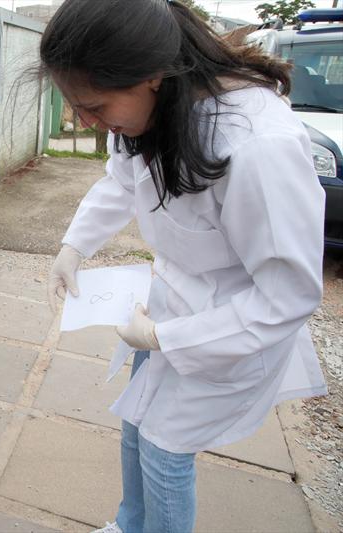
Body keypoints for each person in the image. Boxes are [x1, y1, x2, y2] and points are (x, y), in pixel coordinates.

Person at [41, 1, 328, 532]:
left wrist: (167, 338)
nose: (87, 121)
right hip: (169, 301)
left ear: (152, 75)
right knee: (136, 423)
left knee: (164, 449)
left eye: (96, 107)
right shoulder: (156, 108)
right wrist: (73, 246)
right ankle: (129, 525)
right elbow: (122, 181)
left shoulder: (258, 145)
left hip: (231, 326)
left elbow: (286, 296)